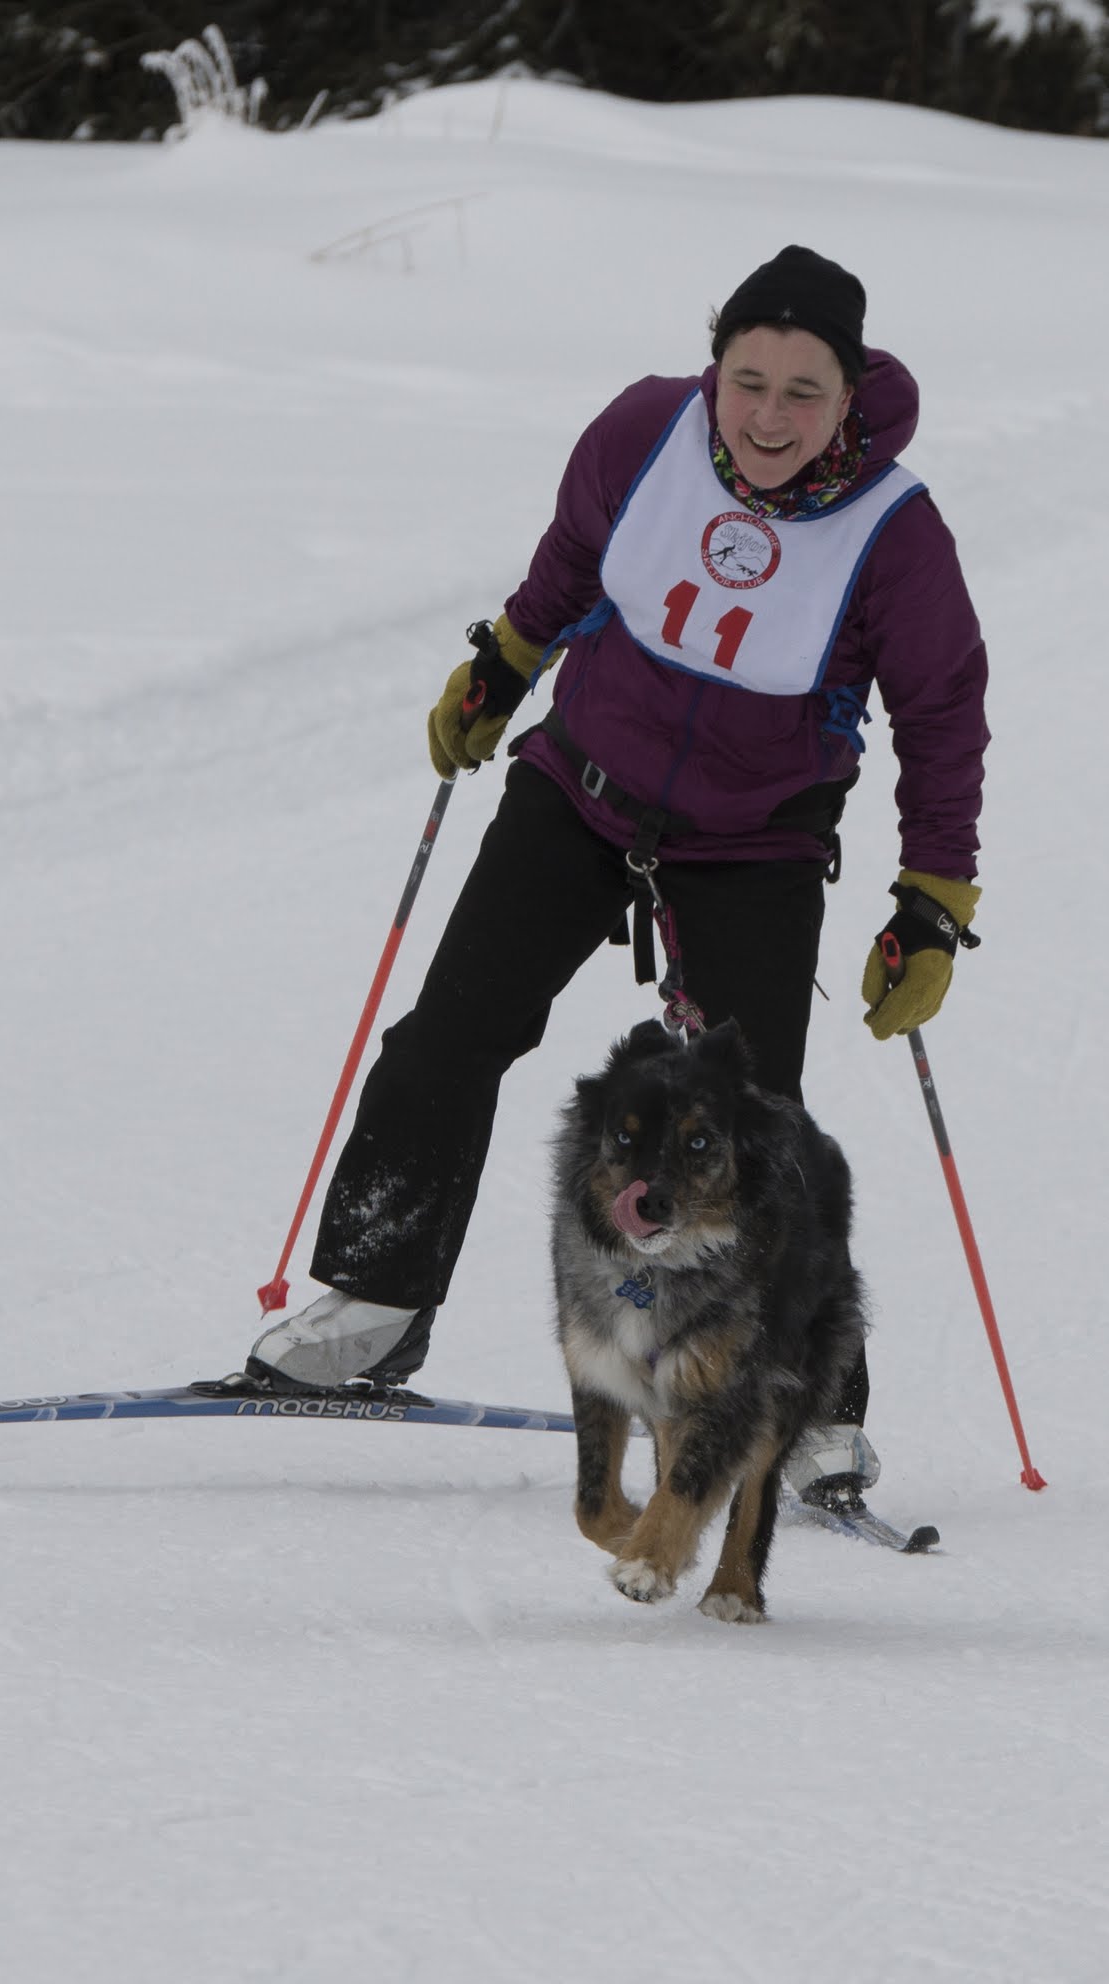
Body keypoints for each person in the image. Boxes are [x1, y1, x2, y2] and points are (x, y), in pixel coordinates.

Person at [248, 245, 988, 1506]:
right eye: (746, 379)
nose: (765, 417)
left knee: (756, 1126)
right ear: (714, 365)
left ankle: (803, 1402)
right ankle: (375, 1296)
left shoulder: (894, 534)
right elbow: (573, 555)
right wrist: (505, 659)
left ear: (848, 396)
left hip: (753, 839)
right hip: (578, 788)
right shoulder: (645, 429)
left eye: (802, 392)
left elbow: (942, 712)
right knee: (447, 1037)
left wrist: (931, 898)